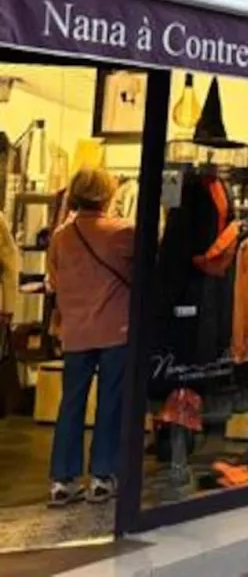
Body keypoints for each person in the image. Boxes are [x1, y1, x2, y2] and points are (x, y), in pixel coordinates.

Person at [46, 166, 134, 506]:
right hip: (115, 328)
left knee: (71, 403)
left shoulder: (60, 236)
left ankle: (62, 480)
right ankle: (101, 476)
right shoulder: (124, 231)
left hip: (76, 330)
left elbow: (54, 278)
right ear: (108, 194)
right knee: (110, 402)